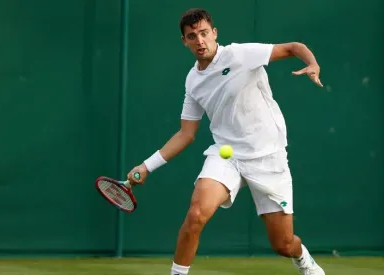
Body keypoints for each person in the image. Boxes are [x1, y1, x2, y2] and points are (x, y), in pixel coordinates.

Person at [127, 7, 325, 275]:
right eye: (192, 36)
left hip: (268, 156)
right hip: (226, 156)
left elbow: (293, 47)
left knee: (284, 244)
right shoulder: (193, 81)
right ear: (184, 41)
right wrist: (147, 166)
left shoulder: (241, 55)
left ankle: (304, 260)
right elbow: (186, 133)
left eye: (204, 33)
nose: (200, 41)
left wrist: (312, 63)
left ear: (214, 33)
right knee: (196, 215)